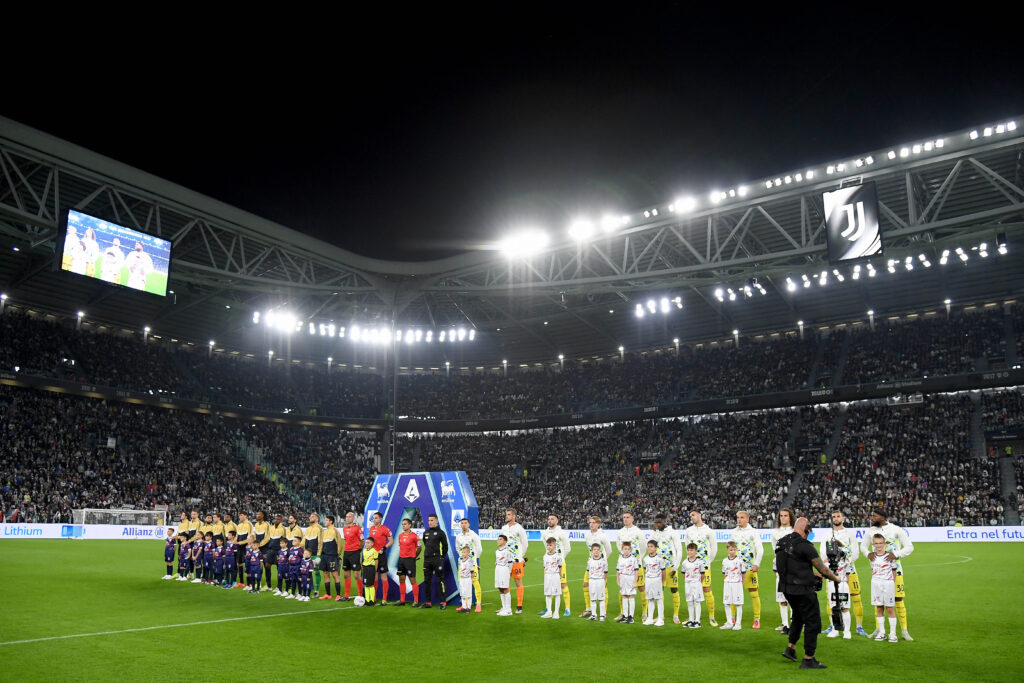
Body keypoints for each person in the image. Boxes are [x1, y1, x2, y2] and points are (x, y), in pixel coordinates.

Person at [777, 517, 842, 670]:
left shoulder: (781, 542)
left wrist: (810, 574)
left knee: (798, 617)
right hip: (803, 590)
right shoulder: (805, 545)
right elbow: (823, 569)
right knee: (813, 622)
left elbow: (790, 565)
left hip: (786, 588)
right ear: (806, 529)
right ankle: (808, 658)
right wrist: (835, 578)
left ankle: (790, 648)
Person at [859, 507, 914, 641]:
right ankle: (879, 629)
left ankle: (904, 631)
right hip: (878, 573)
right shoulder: (871, 531)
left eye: (874, 516)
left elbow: (909, 547)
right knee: (878, 602)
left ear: (883, 517)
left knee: (898, 600)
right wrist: (868, 554)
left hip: (896, 571)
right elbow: (863, 546)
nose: (872, 518)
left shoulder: (896, 529)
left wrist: (895, 554)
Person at [822, 510, 866, 636]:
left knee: (856, 598)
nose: (835, 519)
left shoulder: (850, 534)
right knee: (831, 600)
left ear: (843, 518)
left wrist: (847, 561)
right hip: (832, 572)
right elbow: (822, 553)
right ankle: (833, 626)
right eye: (833, 517)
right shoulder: (827, 535)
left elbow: (856, 553)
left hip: (849, 571)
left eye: (838, 516)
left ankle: (859, 626)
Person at [684, 510, 718, 626]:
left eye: (693, 515)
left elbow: (714, 549)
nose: (691, 517)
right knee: (691, 592)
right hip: (691, 568)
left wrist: (707, 562)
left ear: (699, 515)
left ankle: (712, 617)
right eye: (690, 516)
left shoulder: (708, 531)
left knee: (707, 590)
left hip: (704, 566)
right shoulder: (688, 531)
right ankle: (691, 617)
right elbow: (687, 547)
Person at [730, 510, 764, 629]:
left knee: (754, 593)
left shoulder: (753, 532)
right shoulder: (734, 532)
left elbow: (760, 549)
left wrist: (757, 564)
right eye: (738, 517)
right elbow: (731, 549)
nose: (739, 519)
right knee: (734, 594)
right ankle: (732, 618)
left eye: (742, 517)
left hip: (750, 568)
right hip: (736, 569)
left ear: (747, 519)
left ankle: (756, 619)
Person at [649, 513, 682, 624]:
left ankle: (676, 615)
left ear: (665, 521)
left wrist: (675, 567)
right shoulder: (655, 534)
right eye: (656, 522)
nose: (657, 524)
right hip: (659, 568)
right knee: (660, 592)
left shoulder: (672, 533)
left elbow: (679, 550)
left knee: (674, 590)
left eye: (660, 522)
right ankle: (660, 616)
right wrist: (654, 532)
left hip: (670, 567)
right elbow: (650, 547)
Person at [868, 534, 899, 643]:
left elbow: (894, 570)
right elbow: (873, 569)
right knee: (879, 608)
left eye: (880, 543)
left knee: (890, 608)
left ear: (884, 544)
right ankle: (882, 632)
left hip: (888, 584)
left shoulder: (890, 556)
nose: (879, 545)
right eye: (876, 543)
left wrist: (891, 582)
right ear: (873, 544)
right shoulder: (872, 557)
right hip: (876, 583)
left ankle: (893, 634)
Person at [539, 514, 572, 616]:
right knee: (549, 584)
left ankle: (567, 608)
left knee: (562, 584)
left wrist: (560, 558)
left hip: (559, 563)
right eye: (548, 519)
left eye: (552, 519)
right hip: (549, 562)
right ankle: (548, 608)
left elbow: (567, 548)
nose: (550, 520)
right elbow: (546, 546)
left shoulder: (561, 533)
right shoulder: (545, 533)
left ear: (557, 521)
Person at [617, 511, 646, 621]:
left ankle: (644, 612)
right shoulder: (620, 532)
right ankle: (623, 613)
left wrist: (639, 558)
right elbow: (618, 546)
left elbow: (643, 547)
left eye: (628, 517)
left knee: (641, 587)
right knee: (622, 589)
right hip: (624, 566)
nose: (625, 519)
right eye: (624, 517)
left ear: (632, 519)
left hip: (636, 565)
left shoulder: (638, 531)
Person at [581, 516, 612, 619]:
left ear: (598, 524)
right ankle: (589, 609)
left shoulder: (602, 536)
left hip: (600, 567)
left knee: (604, 587)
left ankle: (604, 612)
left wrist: (601, 561)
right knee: (585, 584)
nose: (591, 524)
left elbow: (609, 550)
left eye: (594, 523)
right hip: (591, 564)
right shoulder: (588, 536)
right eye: (590, 522)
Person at [501, 508, 529, 614]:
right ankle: (506, 607)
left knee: (518, 582)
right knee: (505, 582)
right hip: (505, 560)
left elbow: (525, 544)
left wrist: (520, 556)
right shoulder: (504, 528)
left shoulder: (519, 528)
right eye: (506, 514)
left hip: (516, 560)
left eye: (508, 514)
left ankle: (519, 606)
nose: (506, 516)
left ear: (514, 516)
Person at [419, 513, 449, 609]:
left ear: (437, 521)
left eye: (432, 520)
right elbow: (425, 543)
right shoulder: (426, 533)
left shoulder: (441, 533)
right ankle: (428, 602)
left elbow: (445, 546)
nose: (430, 522)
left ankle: (443, 602)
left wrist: (441, 557)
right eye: (429, 520)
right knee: (427, 581)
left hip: (437, 559)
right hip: (427, 560)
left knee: (440, 580)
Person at [772, 508, 794, 633]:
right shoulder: (775, 533)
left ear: (790, 517)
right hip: (781, 570)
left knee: (793, 599)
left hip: (793, 570)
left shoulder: (795, 531)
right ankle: (785, 625)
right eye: (781, 516)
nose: (783, 518)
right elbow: (775, 551)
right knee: (782, 599)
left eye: (786, 515)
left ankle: (794, 622)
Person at [453, 517, 482, 612]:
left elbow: (479, 549)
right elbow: (457, 548)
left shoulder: (473, 535)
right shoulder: (458, 536)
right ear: (460, 525)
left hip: (472, 564)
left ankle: (478, 604)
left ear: (468, 524)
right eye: (462, 523)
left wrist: (474, 560)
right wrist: (463, 558)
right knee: (462, 584)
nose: (463, 524)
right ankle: (464, 605)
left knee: (475, 583)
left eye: (465, 523)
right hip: (462, 565)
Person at [394, 517, 421, 606]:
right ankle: (402, 600)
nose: (403, 525)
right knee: (401, 580)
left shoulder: (414, 536)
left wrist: (413, 556)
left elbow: (419, 548)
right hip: (401, 560)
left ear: (410, 525)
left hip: (410, 560)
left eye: (405, 524)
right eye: (402, 524)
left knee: (412, 580)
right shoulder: (400, 535)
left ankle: (416, 601)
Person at [368, 512, 394, 605]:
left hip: (381, 555)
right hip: (372, 556)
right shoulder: (371, 529)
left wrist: (383, 548)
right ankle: (373, 598)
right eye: (373, 518)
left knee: (383, 576)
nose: (374, 520)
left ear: (380, 519)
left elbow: (391, 541)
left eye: (376, 518)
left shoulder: (385, 529)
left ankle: (384, 598)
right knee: (374, 576)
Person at [680, 542, 706, 628]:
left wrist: (698, 582)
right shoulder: (684, 562)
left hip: (697, 584)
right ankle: (691, 620)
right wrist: (688, 580)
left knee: (697, 602)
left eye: (692, 550)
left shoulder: (700, 562)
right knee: (689, 602)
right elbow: (683, 573)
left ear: (696, 551)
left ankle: (697, 621)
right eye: (688, 550)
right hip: (688, 584)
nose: (690, 552)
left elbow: (703, 574)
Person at [721, 541, 745, 630]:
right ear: (727, 550)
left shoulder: (740, 561)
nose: (733, 551)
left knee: (738, 604)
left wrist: (741, 583)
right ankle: (729, 622)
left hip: (737, 584)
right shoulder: (724, 561)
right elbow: (724, 572)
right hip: (727, 584)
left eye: (734, 550)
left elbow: (743, 573)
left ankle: (738, 624)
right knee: (726, 603)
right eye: (731, 550)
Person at [642, 539, 666, 626]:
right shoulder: (645, 559)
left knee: (659, 599)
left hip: (657, 580)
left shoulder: (659, 559)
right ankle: (650, 618)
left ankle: (660, 618)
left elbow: (664, 571)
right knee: (650, 599)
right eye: (648, 546)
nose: (649, 548)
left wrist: (662, 582)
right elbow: (645, 570)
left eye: (651, 546)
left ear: (656, 548)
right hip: (648, 580)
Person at [319, 515, 343, 601]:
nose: (325, 522)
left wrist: (337, 555)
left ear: (331, 522)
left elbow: (340, 544)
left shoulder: (335, 531)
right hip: (324, 556)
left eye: (326, 520)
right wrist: (319, 554)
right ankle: (328, 594)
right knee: (325, 574)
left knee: (335, 574)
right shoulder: (325, 532)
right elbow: (321, 544)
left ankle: (338, 595)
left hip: (332, 556)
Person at [340, 511, 362, 601]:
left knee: (356, 574)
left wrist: (358, 550)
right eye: (346, 517)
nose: (347, 518)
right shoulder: (345, 528)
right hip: (346, 553)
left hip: (355, 553)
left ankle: (361, 595)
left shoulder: (357, 528)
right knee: (346, 574)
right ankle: (346, 596)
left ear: (353, 518)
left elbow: (362, 540)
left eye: (349, 517)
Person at [616, 540, 640, 624]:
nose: (626, 550)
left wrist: (635, 582)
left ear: (630, 550)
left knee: (631, 596)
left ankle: (631, 616)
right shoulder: (620, 558)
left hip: (630, 578)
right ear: (622, 549)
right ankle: (625, 616)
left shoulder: (633, 559)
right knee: (624, 596)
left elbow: (636, 570)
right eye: (625, 549)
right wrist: (618, 580)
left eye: (628, 549)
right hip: (622, 578)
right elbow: (618, 570)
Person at [541, 537, 564, 619]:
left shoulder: (558, 556)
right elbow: (544, 567)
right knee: (547, 594)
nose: (549, 547)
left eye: (550, 545)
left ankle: (556, 612)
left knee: (557, 594)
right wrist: (545, 575)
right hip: (547, 575)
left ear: (554, 545)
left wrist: (560, 576)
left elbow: (560, 567)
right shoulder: (545, 556)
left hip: (555, 575)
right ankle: (549, 612)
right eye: (547, 545)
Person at [586, 543, 609, 622]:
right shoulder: (589, 561)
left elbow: (606, 573)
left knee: (601, 599)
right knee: (592, 599)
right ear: (592, 551)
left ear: (600, 551)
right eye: (594, 550)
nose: (596, 551)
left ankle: (602, 615)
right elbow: (588, 571)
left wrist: (603, 581)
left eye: (597, 550)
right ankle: (593, 615)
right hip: (592, 581)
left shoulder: (603, 561)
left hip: (600, 581)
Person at [303, 512, 323, 597]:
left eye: (313, 516)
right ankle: (307, 589)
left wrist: (318, 555)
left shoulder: (319, 528)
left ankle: (316, 591)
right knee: (306, 572)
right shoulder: (308, 529)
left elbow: (320, 542)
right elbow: (304, 541)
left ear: (317, 519)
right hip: (307, 555)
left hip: (315, 554)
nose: (310, 517)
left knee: (316, 572)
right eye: (310, 516)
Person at [494, 534, 515, 616]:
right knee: (500, 588)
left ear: (505, 541)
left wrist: (508, 572)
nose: (498, 540)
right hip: (498, 569)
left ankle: (508, 609)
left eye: (500, 539)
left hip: (504, 569)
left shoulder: (507, 551)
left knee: (505, 588)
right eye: (498, 539)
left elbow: (510, 563)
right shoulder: (497, 551)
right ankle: (504, 607)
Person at [264, 514, 285, 593]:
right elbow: (268, 538)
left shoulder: (283, 529)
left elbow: (284, 540)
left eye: (278, 519)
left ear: (281, 520)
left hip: (278, 551)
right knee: (267, 566)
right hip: (270, 550)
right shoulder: (271, 528)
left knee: (279, 568)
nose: (275, 520)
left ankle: (278, 587)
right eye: (275, 519)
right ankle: (268, 585)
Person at [252, 512, 271, 591]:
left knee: (266, 566)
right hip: (258, 548)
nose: (257, 515)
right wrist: (255, 545)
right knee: (258, 566)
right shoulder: (256, 524)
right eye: (257, 514)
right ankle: (258, 583)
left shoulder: (267, 524)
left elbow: (268, 537)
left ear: (263, 516)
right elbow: (255, 536)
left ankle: (268, 585)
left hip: (265, 548)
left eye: (259, 514)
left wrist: (260, 545)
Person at [235, 512, 255, 588]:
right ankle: (241, 582)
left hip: (246, 547)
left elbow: (251, 536)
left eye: (241, 515)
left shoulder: (249, 524)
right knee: (239, 563)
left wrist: (249, 545)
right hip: (239, 546)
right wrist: (235, 541)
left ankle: (250, 583)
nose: (240, 516)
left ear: (245, 516)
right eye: (239, 515)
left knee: (248, 564)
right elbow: (237, 535)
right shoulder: (239, 525)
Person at [456, 545, 476, 613]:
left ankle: (468, 608)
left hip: (467, 579)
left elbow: (472, 571)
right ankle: (464, 607)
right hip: (462, 579)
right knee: (462, 593)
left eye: (464, 552)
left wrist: (472, 579)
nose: (463, 553)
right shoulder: (461, 561)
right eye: (462, 552)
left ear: (468, 553)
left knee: (468, 593)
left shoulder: (469, 561)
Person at [360, 537, 380, 605]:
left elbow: (376, 561)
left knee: (371, 585)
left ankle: (372, 600)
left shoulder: (374, 551)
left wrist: (375, 570)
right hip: (365, 568)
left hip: (371, 568)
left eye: (368, 543)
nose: (366, 544)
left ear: (372, 544)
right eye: (366, 542)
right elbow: (364, 560)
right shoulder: (364, 550)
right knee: (366, 584)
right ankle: (367, 600)